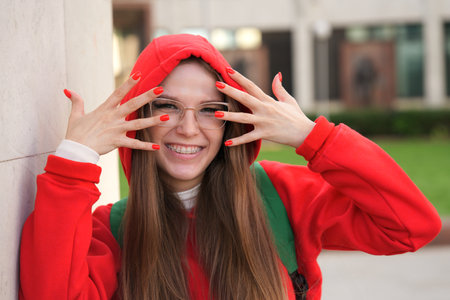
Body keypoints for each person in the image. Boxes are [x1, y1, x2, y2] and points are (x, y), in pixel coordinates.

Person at [19, 34, 441, 300]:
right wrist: (75, 161)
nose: (188, 128)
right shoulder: (111, 230)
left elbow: (409, 225)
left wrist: (313, 138)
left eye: (210, 110)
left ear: (232, 120)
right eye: (167, 106)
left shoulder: (279, 197)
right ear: (138, 119)